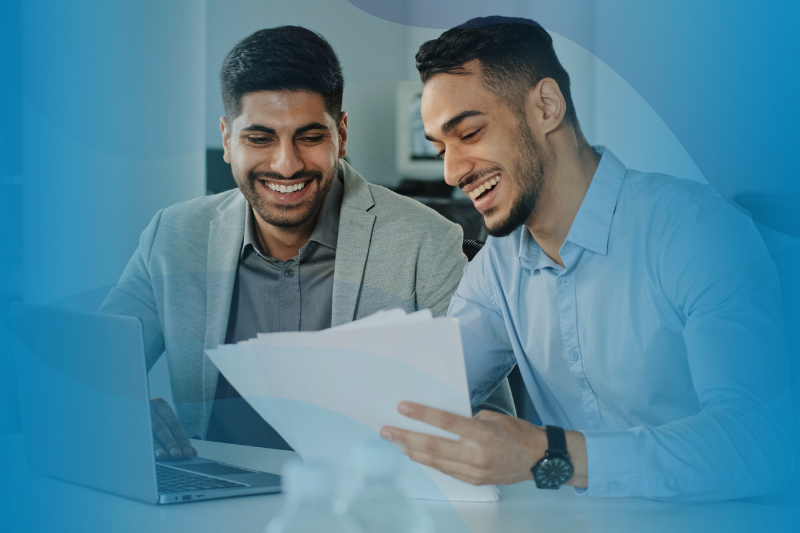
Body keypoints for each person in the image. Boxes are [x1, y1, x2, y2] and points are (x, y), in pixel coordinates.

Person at [380, 16, 793, 500]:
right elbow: (424, 390)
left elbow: (762, 443)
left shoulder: (697, 232)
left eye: (469, 133)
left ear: (547, 106)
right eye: (440, 148)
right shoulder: (499, 264)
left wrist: (548, 453)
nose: (451, 172)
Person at [100, 26, 513, 461]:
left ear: (342, 135)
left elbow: (491, 422)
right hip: (204, 510)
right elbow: (88, 372)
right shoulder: (173, 236)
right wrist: (116, 410)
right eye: (259, 138)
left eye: (310, 137)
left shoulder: (426, 243)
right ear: (227, 140)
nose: (287, 164)